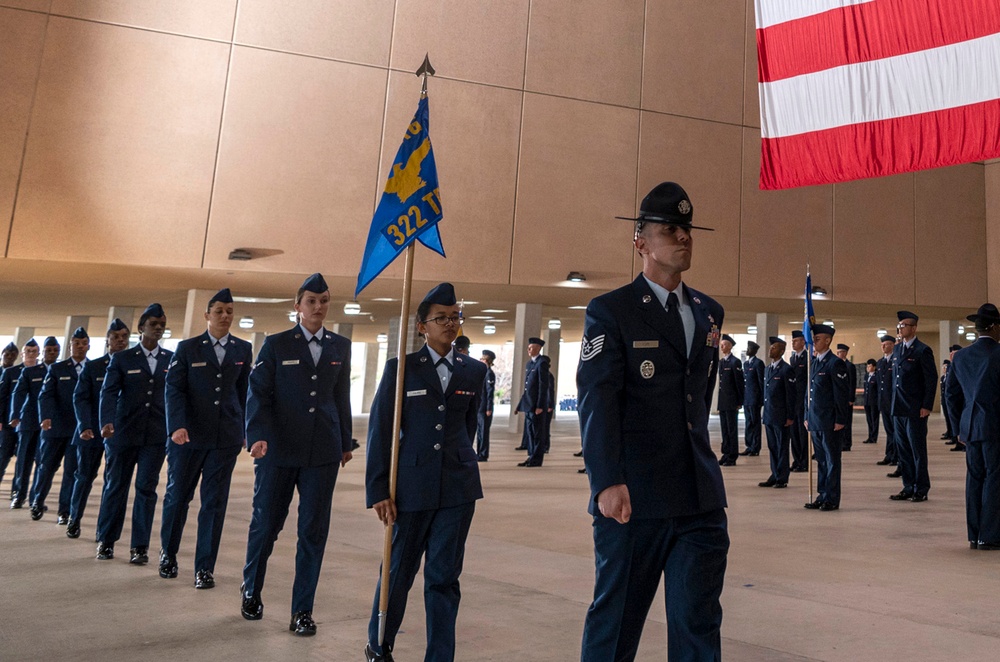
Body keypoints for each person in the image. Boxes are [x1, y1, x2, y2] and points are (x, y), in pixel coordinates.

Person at [577, 181, 728, 661]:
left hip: (698, 498)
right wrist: (606, 482)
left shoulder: (708, 313)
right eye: (670, 229)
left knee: (697, 627)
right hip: (634, 498)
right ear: (640, 241)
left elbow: (697, 399)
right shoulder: (612, 311)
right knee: (615, 626)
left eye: (687, 229)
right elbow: (597, 400)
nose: (683, 237)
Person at [364, 282, 487, 662]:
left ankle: (440, 655)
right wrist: (379, 489)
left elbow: (469, 428)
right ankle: (379, 644)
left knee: (444, 579)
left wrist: (458, 459)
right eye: (441, 318)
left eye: (455, 317)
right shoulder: (402, 369)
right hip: (411, 488)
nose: (450, 324)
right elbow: (381, 430)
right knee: (398, 571)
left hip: (457, 489)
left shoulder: (473, 371)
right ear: (421, 326)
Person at [241, 273, 353, 636]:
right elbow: (258, 394)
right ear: (297, 306)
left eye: (323, 301)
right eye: (311, 301)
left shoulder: (340, 346)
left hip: (322, 450)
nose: (318, 307)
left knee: (313, 533)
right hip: (278, 449)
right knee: (267, 525)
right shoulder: (276, 345)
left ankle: (302, 611)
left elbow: (341, 398)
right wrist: (256, 435)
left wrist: (345, 441)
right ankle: (251, 589)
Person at [161, 288, 252, 589]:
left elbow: (243, 393)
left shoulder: (242, 349)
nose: (225, 316)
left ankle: (204, 568)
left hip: (224, 438)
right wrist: (177, 426)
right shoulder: (187, 349)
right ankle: (168, 554)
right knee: (178, 497)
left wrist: (244, 428)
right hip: (188, 437)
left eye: (229, 311)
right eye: (219, 311)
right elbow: (174, 389)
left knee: (214, 503)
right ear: (207, 315)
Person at [96, 303, 172, 563]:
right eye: (153, 324)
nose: (159, 328)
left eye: (162, 324)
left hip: (155, 435)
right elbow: (108, 392)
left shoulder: (170, 359)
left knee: (146, 488)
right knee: (116, 486)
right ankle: (106, 540)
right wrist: (106, 422)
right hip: (123, 432)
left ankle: (139, 546)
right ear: (141, 328)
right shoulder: (122, 359)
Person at [67, 318, 130, 539]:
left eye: (124, 337)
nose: (120, 341)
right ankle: (74, 518)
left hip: (121, 433)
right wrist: (84, 425)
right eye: (115, 337)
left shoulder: (133, 365)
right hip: (92, 431)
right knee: (84, 476)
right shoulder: (93, 367)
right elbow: (80, 398)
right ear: (107, 340)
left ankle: (103, 530)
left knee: (113, 483)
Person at [944, 305, 1000, 549]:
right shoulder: (998, 353)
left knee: (975, 478)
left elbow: (951, 395)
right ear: (995, 327)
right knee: (994, 479)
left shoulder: (962, 356)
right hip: (995, 426)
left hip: (970, 426)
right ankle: (990, 535)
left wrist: (958, 427)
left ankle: (974, 534)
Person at [31, 328, 89, 522]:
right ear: (70, 345)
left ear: (88, 346)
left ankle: (64, 511)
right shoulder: (58, 369)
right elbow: (45, 395)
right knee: (46, 466)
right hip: (55, 427)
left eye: (83, 343)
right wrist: (45, 417)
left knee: (72, 471)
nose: (80, 347)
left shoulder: (93, 368)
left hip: (78, 429)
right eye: (76, 343)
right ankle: (38, 501)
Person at [889, 311, 937, 503]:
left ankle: (921, 488)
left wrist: (926, 405)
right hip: (898, 408)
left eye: (905, 325)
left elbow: (930, 380)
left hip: (915, 408)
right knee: (903, 450)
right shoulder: (897, 349)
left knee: (917, 450)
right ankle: (908, 486)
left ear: (914, 328)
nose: (901, 329)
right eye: (899, 325)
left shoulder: (922, 350)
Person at [804, 325, 851, 511]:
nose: (813, 342)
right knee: (821, 460)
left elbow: (841, 394)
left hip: (830, 421)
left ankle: (831, 498)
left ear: (828, 340)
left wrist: (840, 419)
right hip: (815, 420)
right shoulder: (814, 362)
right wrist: (807, 415)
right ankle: (822, 494)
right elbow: (808, 393)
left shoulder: (835, 363)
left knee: (832, 461)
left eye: (817, 339)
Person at [10, 337, 56, 509]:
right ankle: (18, 495)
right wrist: (15, 415)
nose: (51, 353)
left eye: (54, 350)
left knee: (42, 462)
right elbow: (19, 394)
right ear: (42, 353)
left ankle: (35, 498)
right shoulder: (30, 372)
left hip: (49, 424)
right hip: (29, 422)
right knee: (24, 461)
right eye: (48, 350)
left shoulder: (58, 371)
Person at [758, 337, 795, 489]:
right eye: (770, 347)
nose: (770, 350)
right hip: (769, 414)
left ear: (781, 351)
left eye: (774, 348)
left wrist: (790, 416)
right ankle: (774, 474)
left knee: (782, 447)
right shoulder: (768, 369)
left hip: (781, 416)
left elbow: (791, 395)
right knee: (773, 447)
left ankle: (782, 477)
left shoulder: (786, 370)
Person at [516, 337, 550, 467]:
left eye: (531, 347)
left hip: (536, 405)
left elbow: (543, 386)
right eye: (528, 347)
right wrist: (521, 405)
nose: (528, 350)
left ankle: (536, 458)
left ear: (538, 348)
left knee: (537, 434)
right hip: (529, 404)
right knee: (529, 432)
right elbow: (527, 387)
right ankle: (531, 456)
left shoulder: (542, 363)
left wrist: (540, 405)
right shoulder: (529, 364)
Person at [716, 334, 743, 466]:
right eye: (721, 344)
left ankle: (732, 456)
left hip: (732, 401)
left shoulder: (735, 362)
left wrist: (739, 401)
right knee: (724, 429)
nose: (722, 346)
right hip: (723, 401)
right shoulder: (722, 362)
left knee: (732, 430)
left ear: (730, 346)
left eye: (724, 344)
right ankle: (725, 453)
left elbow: (739, 383)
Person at [0, 342, 21, 495]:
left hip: (12, 419)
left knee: (10, 454)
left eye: (13, 355)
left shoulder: (18, 373)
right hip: (2, 420)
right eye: (7, 354)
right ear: (2, 354)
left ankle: (17, 490)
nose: (9, 357)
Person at [875, 335, 898, 467]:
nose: (884, 346)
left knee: (895, 431)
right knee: (889, 431)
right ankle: (889, 455)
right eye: (882, 344)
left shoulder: (895, 361)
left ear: (893, 346)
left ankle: (896, 456)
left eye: (887, 344)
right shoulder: (880, 362)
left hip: (893, 401)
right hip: (883, 401)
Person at [788, 330, 809, 472]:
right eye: (793, 341)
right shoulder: (793, 359)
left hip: (803, 401)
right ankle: (796, 460)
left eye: (796, 341)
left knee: (802, 433)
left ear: (803, 342)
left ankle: (804, 461)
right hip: (793, 401)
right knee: (794, 433)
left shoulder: (807, 358)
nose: (793, 343)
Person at [741, 340, 764, 457]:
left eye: (750, 348)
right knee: (748, 423)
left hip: (755, 398)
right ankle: (749, 446)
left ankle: (755, 447)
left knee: (755, 423)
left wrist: (761, 399)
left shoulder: (758, 363)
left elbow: (761, 383)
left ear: (754, 351)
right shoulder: (746, 364)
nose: (748, 350)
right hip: (747, 398)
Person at [834, 344, 857, 451]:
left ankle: (847, 443)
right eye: (837, 352)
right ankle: (840, 442)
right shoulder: (835, 365)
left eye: (841, 352)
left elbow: (852, 383)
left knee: (847, 422)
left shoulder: (849, 366)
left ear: (845, 353)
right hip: (838, 399)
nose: (839, 354)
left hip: (847, 398)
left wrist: (851, 398)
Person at [476, 349, 496, 462]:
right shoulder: (482, 373)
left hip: (484, 407)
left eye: (483, 359)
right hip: (480, 406)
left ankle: (483, 454)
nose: (481, 360)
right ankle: (479, 452)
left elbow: (489, 392)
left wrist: (488, 408)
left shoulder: (489, 374)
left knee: (484, 432)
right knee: (479, 431)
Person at [862, 359, 879, 444]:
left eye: (870, 366)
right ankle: (870, 436)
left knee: (874, 419)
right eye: (867, 366)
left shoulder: (877, 376)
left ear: (874, 367)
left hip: (874, 402)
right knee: (869, 420)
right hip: (867, 401)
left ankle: (874, 437)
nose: (868, 368)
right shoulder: (866, 376)